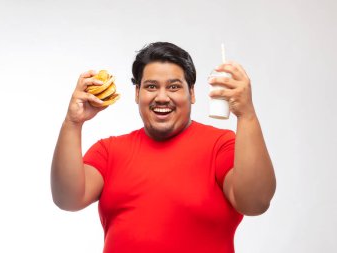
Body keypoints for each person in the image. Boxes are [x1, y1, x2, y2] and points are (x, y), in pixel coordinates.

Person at [51, 42, 276, 253]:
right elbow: (68, 199)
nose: (161, 97)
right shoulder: (109, 151)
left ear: (192, 93)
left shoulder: (221, 146)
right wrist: (73, 123)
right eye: (151, 86)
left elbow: (255, 202)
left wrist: (246, 115)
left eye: (174, 87)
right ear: (137, 93)